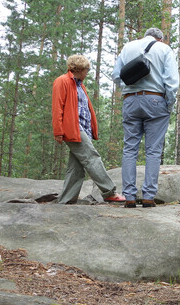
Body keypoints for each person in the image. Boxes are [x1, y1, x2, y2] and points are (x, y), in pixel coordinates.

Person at [112, 27, 179, 208]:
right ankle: (149, 196)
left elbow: (116, 76)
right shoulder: (164, 49)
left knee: (129, 149)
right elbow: (172, 82)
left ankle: (129, 197)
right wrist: (169, 104)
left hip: (130, 100)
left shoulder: (128, 47)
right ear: (159, 38)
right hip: (156, 99)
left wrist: (130, 90)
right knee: (153, 151)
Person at [52, 54, 125, 204]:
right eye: (86, 70)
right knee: (92, 158)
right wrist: (58, 131)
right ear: (78, 69)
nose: (87, 73)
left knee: (77, 167)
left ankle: (66, 200)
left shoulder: (79, 84)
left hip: (82, 129)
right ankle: (109, 192)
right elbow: (57, 108)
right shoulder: (62, 81)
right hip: (72, 129)